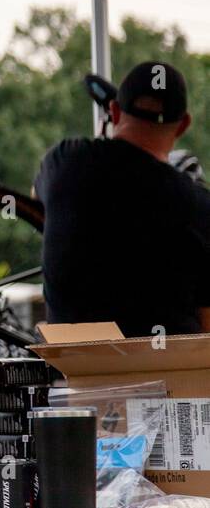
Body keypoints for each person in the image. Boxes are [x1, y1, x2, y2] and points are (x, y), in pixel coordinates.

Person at [35, 60, 210, 337]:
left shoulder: (64, 161)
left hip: (72, 364)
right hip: (163, 370)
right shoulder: (199, 205)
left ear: (114, 111)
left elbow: (36, 199)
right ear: (183, 125)